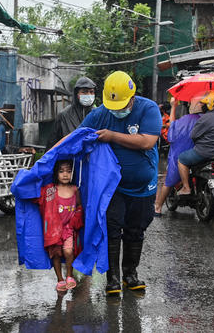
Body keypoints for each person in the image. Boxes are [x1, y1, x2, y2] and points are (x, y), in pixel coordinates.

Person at [78, 71, 161, 294]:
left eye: (122, 105)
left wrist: (112, 136)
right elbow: (78, 137)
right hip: (112, 189)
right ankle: (112, 279)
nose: (117, 110)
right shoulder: (101, 113)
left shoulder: (148, 108)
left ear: (133, 96)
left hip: (144, 187)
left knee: (136, 230)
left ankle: (130, 275)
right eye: (113, 106)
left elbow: (147, 141)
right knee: (112, 230)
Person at [36, 160, 84, 292]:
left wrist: (75, 220)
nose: (65, 175)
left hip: (68, 228)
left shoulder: (75, 189)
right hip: (53, 230)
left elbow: (79, 206)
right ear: (56, 173)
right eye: (61, 171)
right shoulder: (51, 190)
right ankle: (59, 279)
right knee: (56, 255)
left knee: (69, 251)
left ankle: (69, 275)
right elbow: (37, 197)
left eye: (69, 171)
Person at [176, 90, 214, 195]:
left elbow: (193, 136)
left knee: (181, 159)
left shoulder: (206, 118)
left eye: (204, 104)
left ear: (210, 105)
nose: (202, 106)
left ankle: (186, 188)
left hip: (204, 153)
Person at [154, 97, 201, 215]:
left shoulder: (185, 120)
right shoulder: (209, 119)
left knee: (169, 181)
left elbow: (171, 134)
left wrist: (174, 106)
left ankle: (157, 207)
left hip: (182, 154)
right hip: (203, 155)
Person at [48, 77, 96, 148]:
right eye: (84, 92)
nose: (88, 95)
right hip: (69, 157)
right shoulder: (64, 115)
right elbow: (53, 142)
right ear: (77, 94)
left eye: (91, 92)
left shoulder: (97, 114)